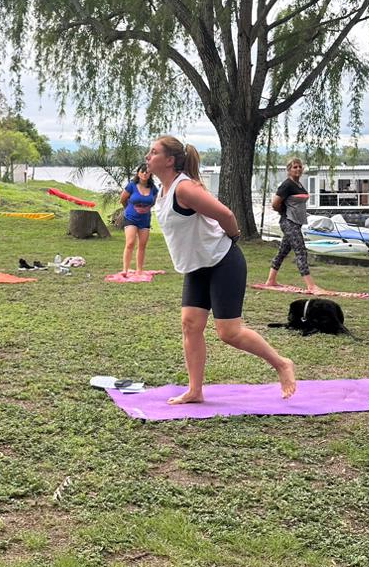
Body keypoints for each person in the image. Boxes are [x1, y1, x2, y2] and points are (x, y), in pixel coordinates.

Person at [147, 136, 296, 402]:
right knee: (190, 325)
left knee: (229, 333)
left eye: (154, 152)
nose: (148, 156)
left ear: (169, 160)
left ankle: (282, 364)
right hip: (196, 268)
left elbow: (226, 215)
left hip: (222, 262)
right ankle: (195, 391)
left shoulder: (184, 189)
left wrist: (234, 237)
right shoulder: (163, 190)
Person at [265, 157, 327, 295]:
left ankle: (270, 281)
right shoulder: (286, 185)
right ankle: (311, 286)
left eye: (299, 166)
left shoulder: (298, 185)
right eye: (294, 167)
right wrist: (284, 212)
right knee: (301, 251)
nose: (298, 169)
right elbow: (275, 203)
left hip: (296, 223)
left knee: (282, 252)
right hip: (288, 222)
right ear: (289, 170)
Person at [120, 164, 159, 276]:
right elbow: (123, 199)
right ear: (138, 173)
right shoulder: (131, 186)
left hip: (145, 219)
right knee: (130, 243)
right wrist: (129, 209)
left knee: (142, 244)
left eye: (147, 172)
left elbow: (153, 201)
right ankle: (125, 269)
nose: (144, 174)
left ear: (150, 174)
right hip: (131, 217)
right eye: (142, 172)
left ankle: (139, 269)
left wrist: (145, 209)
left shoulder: (153, 188)